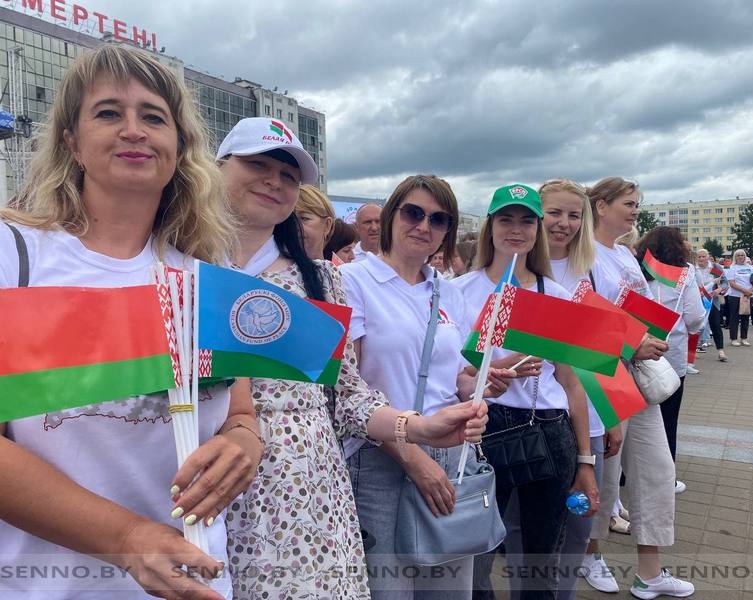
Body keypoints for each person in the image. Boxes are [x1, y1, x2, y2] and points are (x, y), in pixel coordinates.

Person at [0, 43, 265, 600]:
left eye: (153, 117)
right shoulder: (13, 255)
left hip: (199, 581)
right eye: (108, 113)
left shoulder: (208, 278)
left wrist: (244, 445)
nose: (134, 130)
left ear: (179, 147)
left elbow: (240, 412)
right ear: (71, 142)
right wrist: (127, 538)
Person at [216, 122, 491, 599]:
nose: (273, 181)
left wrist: (420, 427)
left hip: (308, 493)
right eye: (257, 164)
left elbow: (345, 396)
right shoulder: (176, 265)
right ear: (218, 168)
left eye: (288, 175)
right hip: (216, 479)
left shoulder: (320, 281)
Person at [342, 175, 512, 599]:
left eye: (438, 219)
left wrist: (478, 387)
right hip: (382, 457)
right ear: (391, 215)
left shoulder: (447, 292)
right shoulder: (351, 281)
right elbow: (350, 389)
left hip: (451, 454)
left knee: (449, 590)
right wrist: (415, 460)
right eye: (413, 213)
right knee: (389, 589)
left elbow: (452, 375)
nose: (424, 225)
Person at [455, 183, 600, 600]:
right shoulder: (459, 290)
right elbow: (456, 373)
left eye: (526, 221)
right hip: (484, 429)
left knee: (542, 555)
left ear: (537, 230)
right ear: (491, 226)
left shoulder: (555, 296)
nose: (516, 230)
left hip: (547, 427)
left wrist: (585, 461)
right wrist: (504, 366)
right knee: (477, 555)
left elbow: (571, 384)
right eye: (506, 219)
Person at [582, 177, 693, 599]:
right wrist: (630, 342)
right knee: (608, 476)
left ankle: (649, 572)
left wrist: (649, 335)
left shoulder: (625, 254)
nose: (635, 211)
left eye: (637, 204)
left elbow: (637, 308)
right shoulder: (582, 255)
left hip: (637, 374)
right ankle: (590, 554)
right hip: (602, 375)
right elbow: (580, 322)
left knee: (656, 470)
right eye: (628, 203)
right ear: (600, 205)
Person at [538, 179, 622, 600]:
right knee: (529, 525)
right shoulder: (516, 269)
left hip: (586, 415)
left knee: (581, 517)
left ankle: (565, 592)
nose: (564, 223)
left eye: (574, 215)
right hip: (532, 418)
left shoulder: (593, 270)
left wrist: (612, 413)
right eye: (554, 212)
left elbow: (602, 352)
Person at [636, 227, 705, 495]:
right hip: (669, 355)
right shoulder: (684, 274)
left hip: (633, 351)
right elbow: (695, 317)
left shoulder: (636, 269)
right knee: (667, 419)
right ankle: (665, 478)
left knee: (632, 417)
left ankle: (624, 473)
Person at [695, 249, 729, 362]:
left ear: (708, 257)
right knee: (695, 325)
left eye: (703, 256)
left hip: (712, 299)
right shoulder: (694, 269)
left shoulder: (714, 267)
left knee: (715, 324)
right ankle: (693, 350)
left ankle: (721, 351)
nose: (701, 259)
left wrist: (719, 289)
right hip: (697, 299)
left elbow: (725, 283)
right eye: (699, 257)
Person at [725, 249, 753, 347]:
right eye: (738, 255)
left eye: (742, 255)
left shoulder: (751, 268)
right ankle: (733, 338)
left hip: (748, 296)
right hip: (735, 296)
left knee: (746, 317)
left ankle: (744, 338)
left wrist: (751, 290)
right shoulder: (731, 268)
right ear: (735, 257)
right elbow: (732, 283)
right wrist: (745, 290)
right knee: (734, 318)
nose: (740, 257)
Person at [296, 184, 335, 260]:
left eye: (304, 218)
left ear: (327, 225)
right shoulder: (273, 265)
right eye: (289, 220)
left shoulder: (340, 268)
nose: (295, 225)